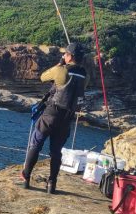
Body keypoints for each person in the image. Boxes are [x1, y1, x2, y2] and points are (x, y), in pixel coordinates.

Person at [20, 42, 87, 194]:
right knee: (56, 151)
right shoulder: (85, 75)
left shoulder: (60, 71)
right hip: (67, 118)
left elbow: (43, 77)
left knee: (35, 143)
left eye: (65, 54)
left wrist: (60, 63)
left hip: (51, 114)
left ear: (70, 56)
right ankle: (52, 184)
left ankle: (26, 177)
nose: (64, 55)